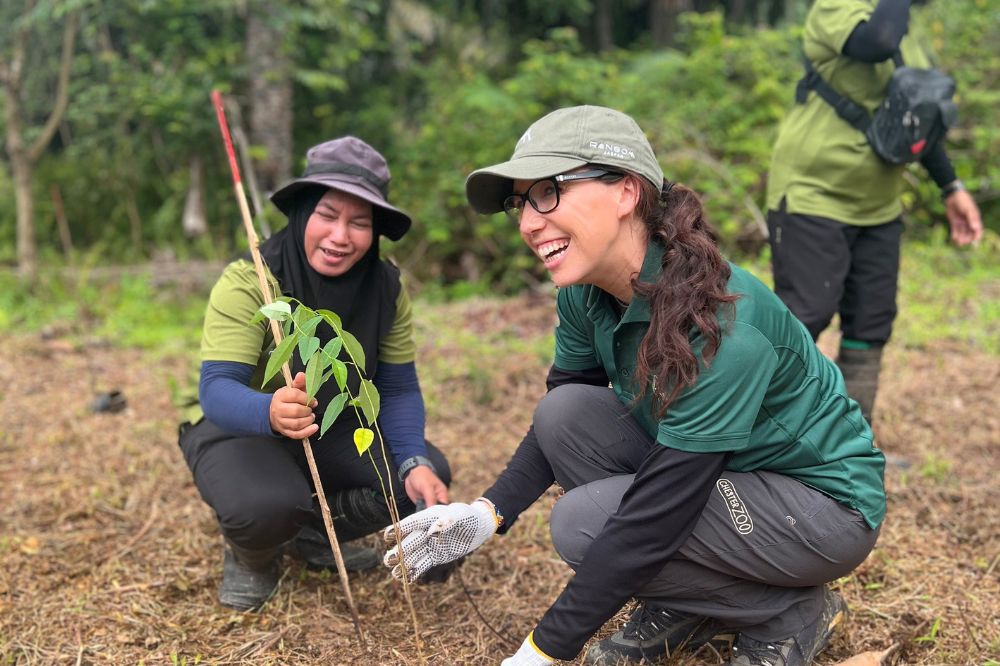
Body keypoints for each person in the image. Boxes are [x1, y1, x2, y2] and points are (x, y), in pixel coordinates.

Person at [382, 106, 886, 666]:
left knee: (583, 524)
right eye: (519, 202)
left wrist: (543, 651)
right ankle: (689, 602)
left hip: (818, 507)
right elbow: (562, 423)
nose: (527, 222)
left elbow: (657, 514)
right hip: (723, 475)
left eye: (548, 192)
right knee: (565, 413)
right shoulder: (586, 289)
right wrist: (487, 513)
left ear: (626, 193)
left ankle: (786, 611)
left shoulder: (723, 324)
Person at [178, 136, 452, 612]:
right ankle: (254, 554)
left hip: (331, 427)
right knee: (264, 506)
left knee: (419, 480)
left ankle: (315, 534)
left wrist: (414, 460)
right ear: (302, 211)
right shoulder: (254, 279)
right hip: (244, 430)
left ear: (376, 232)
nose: (340, 236)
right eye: (328, 215)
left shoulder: (385, 287)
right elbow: (216, 389)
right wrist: (269, 409)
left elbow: (399, 386)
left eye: (359, 223)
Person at [766, 0, 983, 423]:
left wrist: (951, 187)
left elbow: (915, 120)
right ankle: (762, 437)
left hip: (879, 206)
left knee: (871, 324)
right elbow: (876, 42)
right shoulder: (835, 8)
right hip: (813, 194)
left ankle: (850, 446)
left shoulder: (909, 30)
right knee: (804, 317)